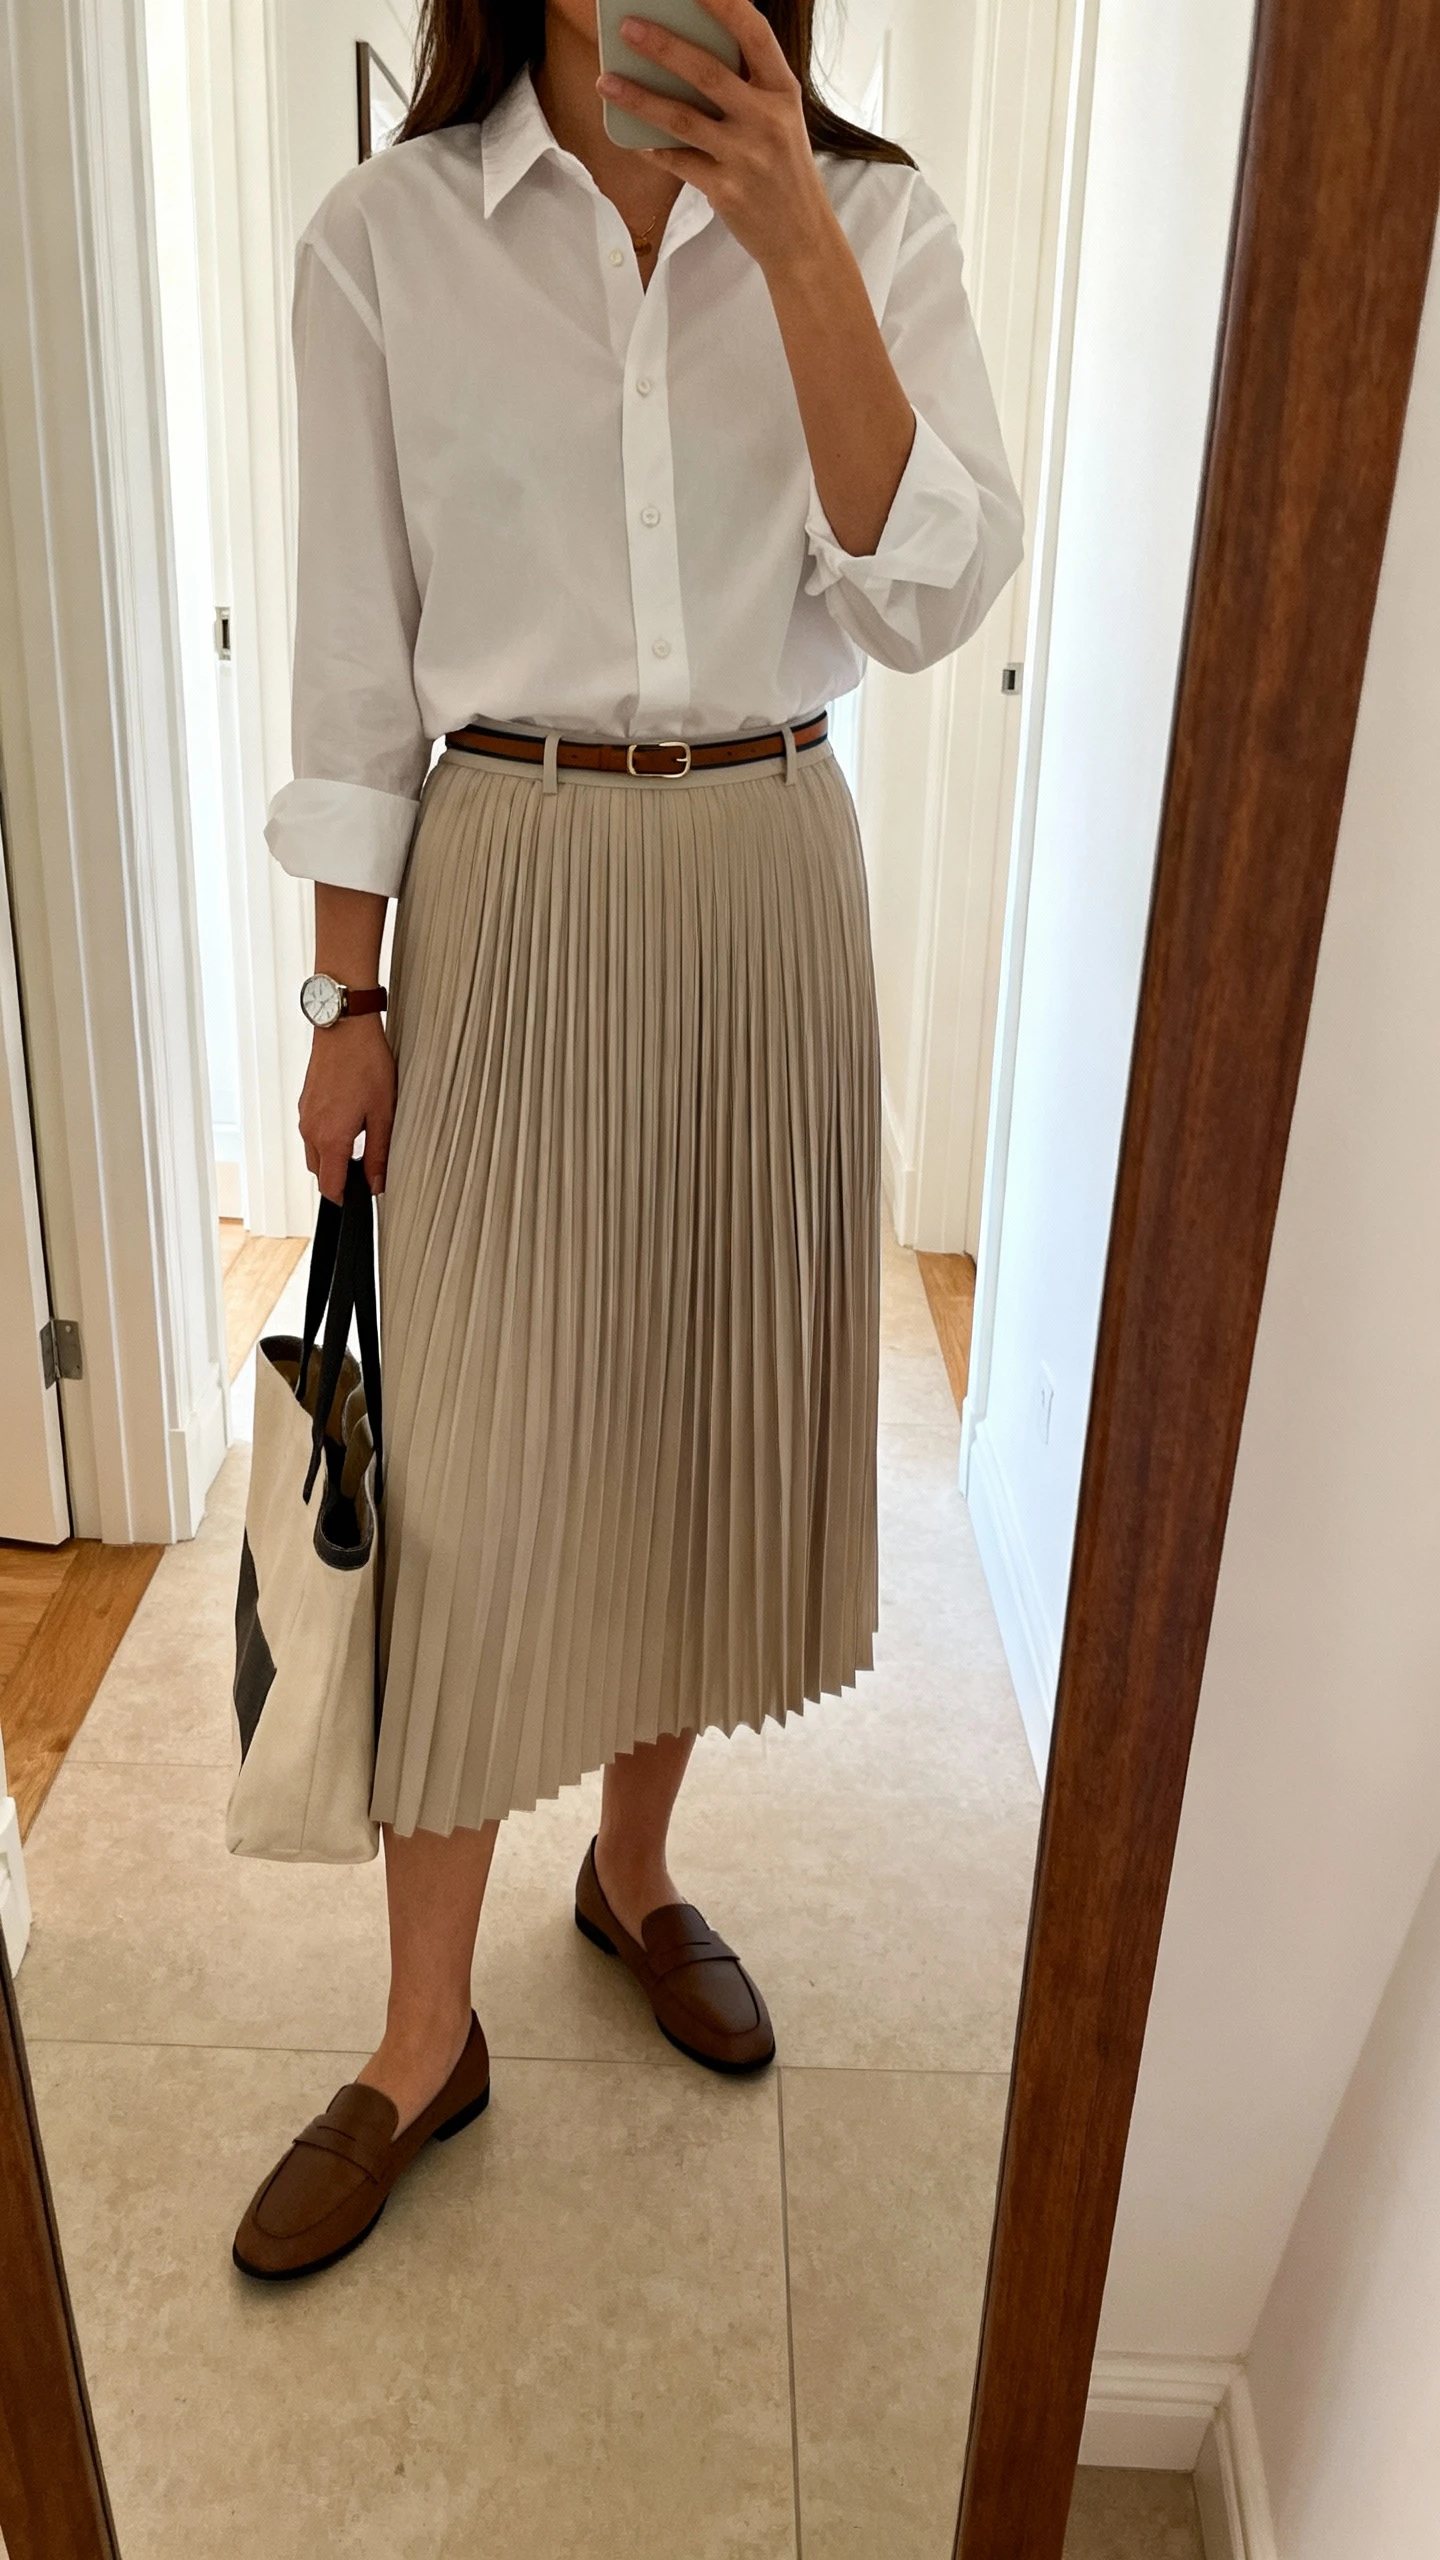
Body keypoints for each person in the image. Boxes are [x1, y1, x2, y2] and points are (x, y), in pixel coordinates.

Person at [233, 0, 1021, 2280]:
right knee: (473, 1475)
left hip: (766, 867)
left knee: (693, 1424)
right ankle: (415, 2040)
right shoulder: (384, 239)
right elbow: (352, 670)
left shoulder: (873, 219)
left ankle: (637, 1866)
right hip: (507, 881)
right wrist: (344, 994)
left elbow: (931, 592)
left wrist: (798, 248)